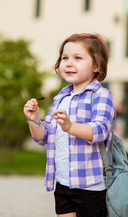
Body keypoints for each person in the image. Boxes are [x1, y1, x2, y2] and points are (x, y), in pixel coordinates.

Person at [23, 33, 116, 217]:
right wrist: (34, 119)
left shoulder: (100, 96)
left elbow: (100, 130)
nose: (69, 63)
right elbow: (44, 136)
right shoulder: (61, 98)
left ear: (96, 65)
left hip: (91, 187)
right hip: (63, 184)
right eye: (65, 58)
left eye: (78, 58)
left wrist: (70, 127)